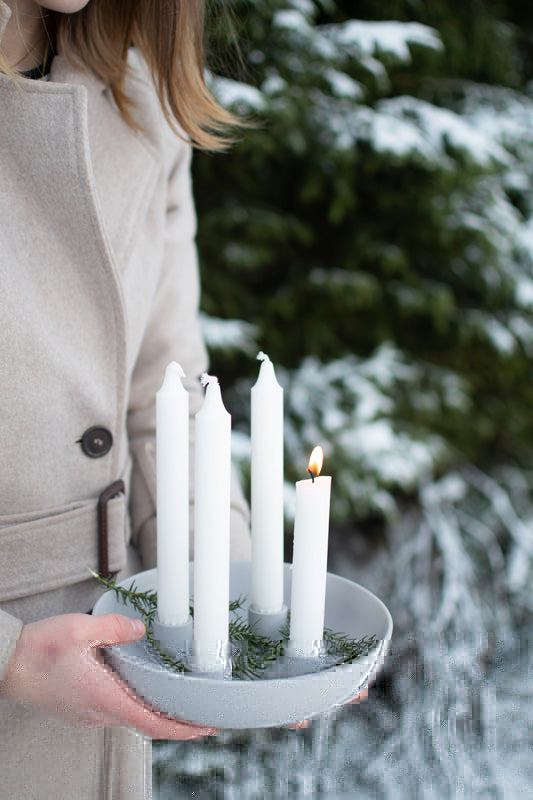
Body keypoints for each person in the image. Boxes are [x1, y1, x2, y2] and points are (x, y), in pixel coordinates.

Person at [0, 1, 252, 797]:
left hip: (92, 694)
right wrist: (8, 658)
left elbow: (160, 393)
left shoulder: (138, 96)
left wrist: (229, 594)